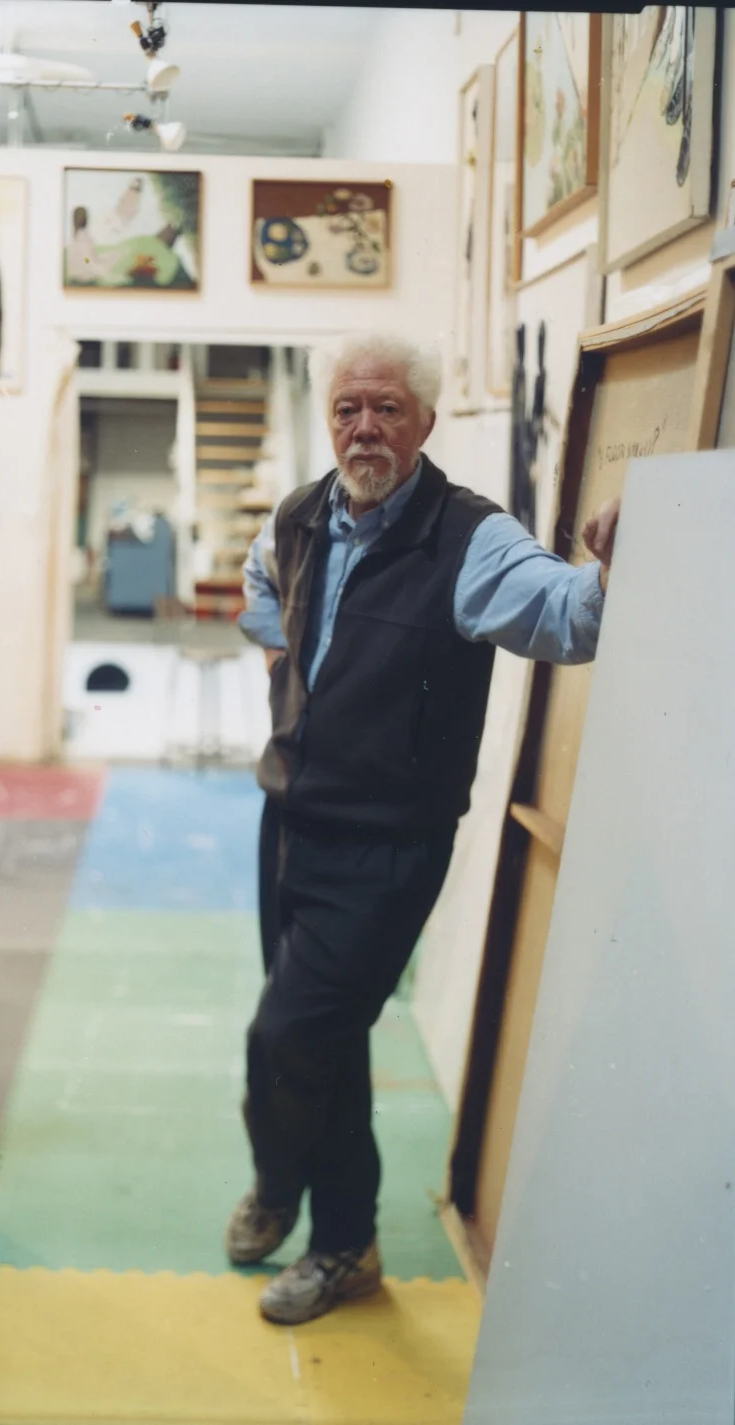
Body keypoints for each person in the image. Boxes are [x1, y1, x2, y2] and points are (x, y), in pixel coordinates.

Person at [228, 329, 620, 1326]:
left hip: (389, 847)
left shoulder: (469, 537)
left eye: (388, 410)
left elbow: (569, 618)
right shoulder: (301, 516)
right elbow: (264, 591)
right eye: (349, 409)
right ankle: (328, 1224)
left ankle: (306, 1207)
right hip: (289, 824)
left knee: (290, 1033)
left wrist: (619, 570)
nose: (365, 428)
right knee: (326, 1039)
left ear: (426, 422)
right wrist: (288, 668)